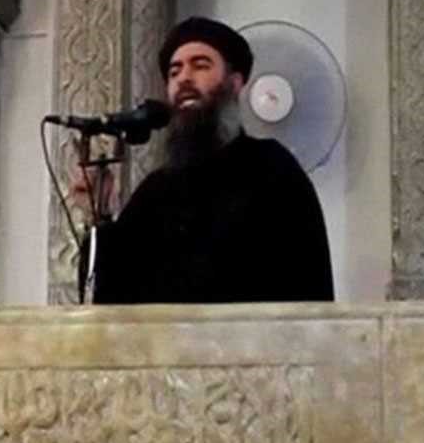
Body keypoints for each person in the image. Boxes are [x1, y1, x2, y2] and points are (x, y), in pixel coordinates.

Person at [84, 17, 334, 304]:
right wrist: (100, 214)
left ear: (235, 83)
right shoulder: (156, 190)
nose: (184, 78)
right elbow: (110, 299)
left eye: (200, 65)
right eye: (175, 72)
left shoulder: (272, 168)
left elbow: (307, 287)